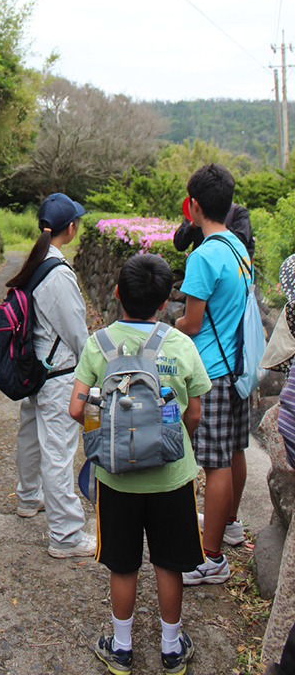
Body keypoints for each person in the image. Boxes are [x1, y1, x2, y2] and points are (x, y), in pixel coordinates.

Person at [70, 254, 211, 675]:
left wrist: (107, 430)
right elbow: (196, 412)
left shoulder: (99, 344)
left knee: (124, 562)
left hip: (117, 479)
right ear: (166, 301)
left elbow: (78, 407)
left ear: (117, 294)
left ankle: (122, 645)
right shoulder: (181, 344)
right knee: (170, 561)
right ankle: (171, 648)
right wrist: (173, 438)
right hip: (172, 477)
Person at [175, 163, 251, 585]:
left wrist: (170, 325)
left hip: (213, 372)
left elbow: (194, 322)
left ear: (195, 206)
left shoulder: (204, 255)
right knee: (235, 450)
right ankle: (232, 523)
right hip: (239, 366)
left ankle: (210, 557)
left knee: (215, 464)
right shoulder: (239, 247)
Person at [9, 192, 96, 558]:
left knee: (31, 435)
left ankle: (29, 496)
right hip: (58, 374)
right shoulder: (58, 273)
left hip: (36, 369)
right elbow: (77, 334)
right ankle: (65, 535)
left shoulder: (37, 260)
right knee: (58, 452)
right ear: (71, 228)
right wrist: (94, 369)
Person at [173, 200, 255, 258]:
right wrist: (191, 226)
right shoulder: (197, 210)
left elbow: (241, 243)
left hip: (229, 273)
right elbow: (179, 244)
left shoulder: (238, 212)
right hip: (202, 270)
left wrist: (216, 224)